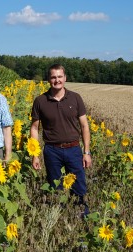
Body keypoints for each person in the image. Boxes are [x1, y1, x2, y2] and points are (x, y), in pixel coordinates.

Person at [30, 63, 92, 216]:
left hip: (73, 148)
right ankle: (58, 217)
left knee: (78, 185)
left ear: (65, 78)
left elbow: (84, 126)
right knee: (54, 185)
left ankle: (81, 215)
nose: (56, 80)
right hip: (52, 150)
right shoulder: (40, 101)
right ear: (48, 79)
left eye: (59, 76)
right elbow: (34, 128)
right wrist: (35, 154)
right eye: (53, 77)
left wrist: (87, 152)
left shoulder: (75, 98)